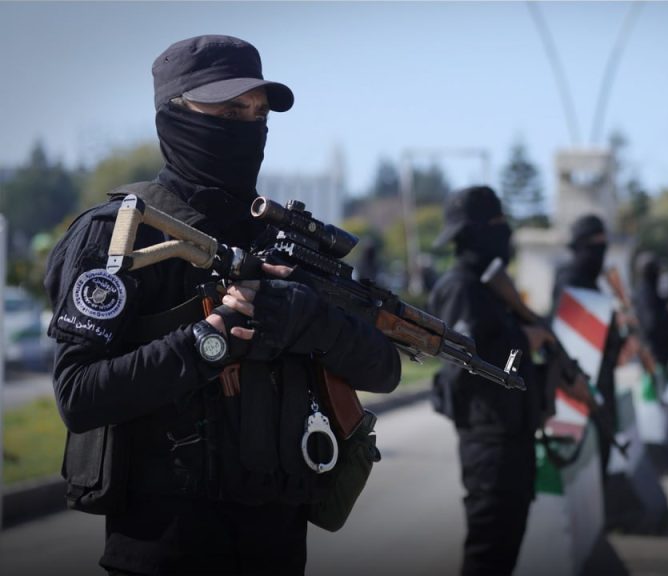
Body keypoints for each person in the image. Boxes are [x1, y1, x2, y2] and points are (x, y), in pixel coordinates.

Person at [43, 35, 401, 576]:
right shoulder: (122, 235)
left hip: (277, 546)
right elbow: (79, 394)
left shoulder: (280, 241)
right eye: (230, 111)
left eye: (259, 114)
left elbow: (385, 370)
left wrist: (312, 320)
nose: (249, 127)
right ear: (175, 117)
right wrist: (211, 339)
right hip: (163, 547)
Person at [428, 185, 548, 576]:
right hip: (490, 445)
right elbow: (462, 366)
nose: (504, 231)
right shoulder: (461, 287)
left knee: (504, 549)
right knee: (488, 555)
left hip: (512, 438)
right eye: (496, 223)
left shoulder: (491, 287)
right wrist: (523, 341)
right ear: (477, 231)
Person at [550, 214, 624, 469]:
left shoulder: (593, 283)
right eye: (596, 245)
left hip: (600, 385)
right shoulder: (570, 280)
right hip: (580, 390)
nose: (600, 252)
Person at [632, 252, 668, 369]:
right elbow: (652, 322)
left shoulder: (649, 291)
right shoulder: (646, 293)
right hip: (655, 356)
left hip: (660, 354)